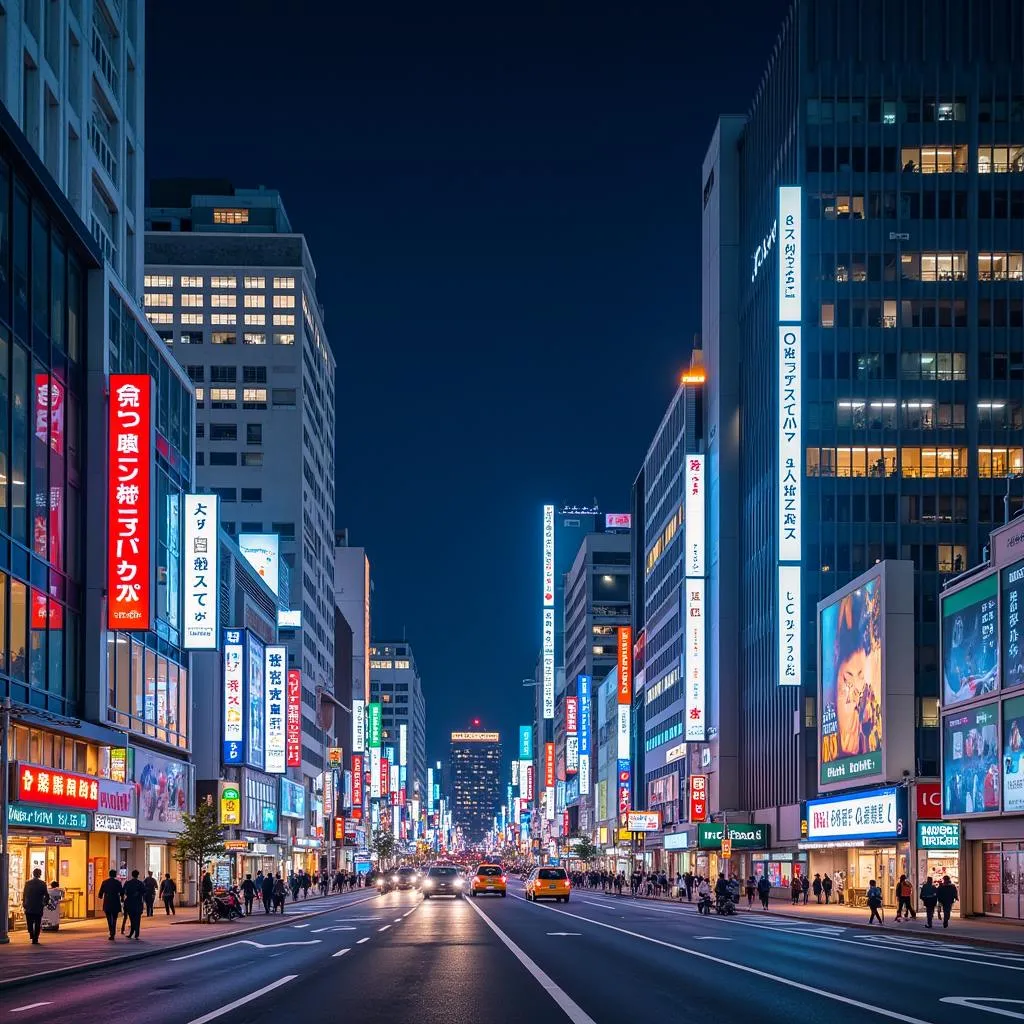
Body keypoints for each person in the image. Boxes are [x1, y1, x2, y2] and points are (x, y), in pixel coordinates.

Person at [21, 867, 48, 944]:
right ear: (40, 874)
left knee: (29, 922)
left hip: (29, 905)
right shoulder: (43, 883)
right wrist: (45, 903)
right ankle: (35, 938)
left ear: (33, 874)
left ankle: (31, 934)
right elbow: (46, 895)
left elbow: (24, 894)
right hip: (38, 905)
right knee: (37, 922)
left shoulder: (27, 883)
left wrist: (24, 902)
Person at [98, 869, 124, 940]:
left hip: (107, 901)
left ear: (109, 875)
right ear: (115, 875)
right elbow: (121, 892)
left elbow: (100, 893)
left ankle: (111, 931)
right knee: (115, 918)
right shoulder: (118, 883)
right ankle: (113, 931)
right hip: (115, 901)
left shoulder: (105, 882)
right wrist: (122, 898)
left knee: (109, 918)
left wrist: (101, 896)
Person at [123, 869, 145, 940]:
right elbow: (144, 891)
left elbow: (124, 891)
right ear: (138, 875)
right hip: (138, 903)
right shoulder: (140, 883)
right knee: (137, 919)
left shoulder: (128, 883)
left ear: (132, 875)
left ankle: (132, 933)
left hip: (130, 903)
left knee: (132, 919)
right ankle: (136, 934)